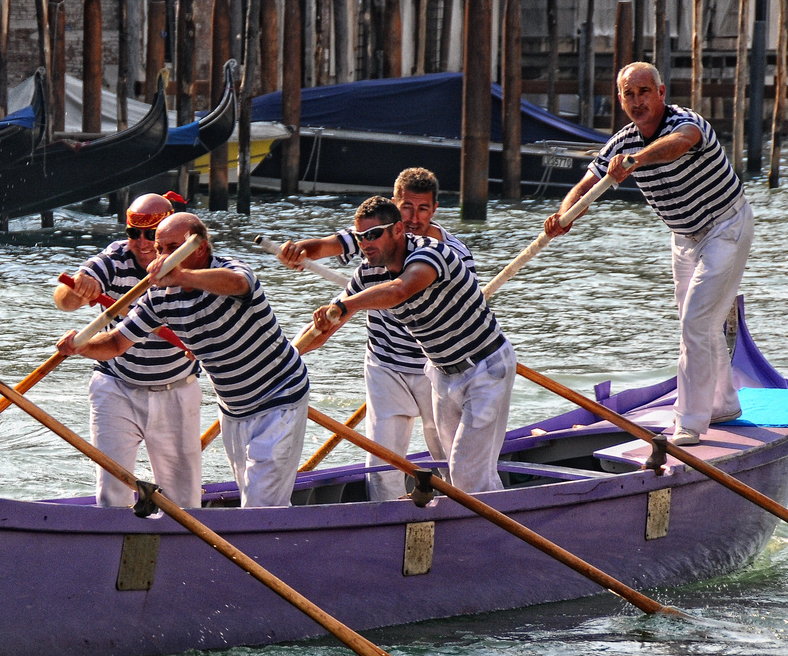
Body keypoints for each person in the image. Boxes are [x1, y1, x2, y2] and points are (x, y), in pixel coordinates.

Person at [543, 61, 752, 447]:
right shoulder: (621, 143)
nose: (637, 101)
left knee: (696, 322)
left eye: (644, 92)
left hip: (727, 226)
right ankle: (722, 402)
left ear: (660, 93)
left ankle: (689, 423)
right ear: (621, 100)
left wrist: (636, 162)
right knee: (696, 323)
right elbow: (588, 182)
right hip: (684, 236)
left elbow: (679, 145)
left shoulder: (686, 122)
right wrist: (564, 216)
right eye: (629, 94)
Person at [56, 213, 311, 509]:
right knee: (252, 498)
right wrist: (80, 345)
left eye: (171, 248)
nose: (161, 257)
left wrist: (181, 276)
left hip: (280, 397)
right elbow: (116, 342)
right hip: (234, 409)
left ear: (198, 247)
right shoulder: (158, 297)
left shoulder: (230, 270)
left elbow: (238, 284)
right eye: (160, 249)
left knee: (261, 505)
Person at [277, 168, 474, 500]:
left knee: (449, 458)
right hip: (385, 364)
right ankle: (386, 524)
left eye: (422, 209)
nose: (413, 218)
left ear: (434, 210)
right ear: (395, 209)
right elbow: (325, 246)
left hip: (436, 368)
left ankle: (463, 514)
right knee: (383, 463)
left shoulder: (451, 254)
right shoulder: (374, 236)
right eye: (407, 208)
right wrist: (298, 252)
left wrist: (351, 303)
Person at [301, 197, 514, 494]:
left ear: (398, 230)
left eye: (374, 235)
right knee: (454, 472)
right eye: (360, 237)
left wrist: (344, 304)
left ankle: (493, 534)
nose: (365, 244)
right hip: (441, 374)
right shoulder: (368, 273)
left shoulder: (432, 253)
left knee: (466, 473)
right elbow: (324, 330)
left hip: (485, 369)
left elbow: (400, 290)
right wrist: (285, 358)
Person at [53, 193, 203, 508]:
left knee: (184, 500)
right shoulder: (114, 259)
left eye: (152, 235)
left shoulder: (194, 266)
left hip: (176, 387)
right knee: (112, 492)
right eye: (134, 233)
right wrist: (79, 290)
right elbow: (63, 301)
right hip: (116, 385)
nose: (143, 243)